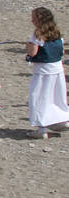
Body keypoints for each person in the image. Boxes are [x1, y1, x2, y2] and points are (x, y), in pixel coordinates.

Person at [26, 7, 69, 139]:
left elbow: (32, 53)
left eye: (34, 18)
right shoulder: (56, 33)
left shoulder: (37, 34)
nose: (32, 20)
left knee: (39, 97)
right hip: (57, 69)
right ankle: (61, 120)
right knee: (57, 96)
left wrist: (28, 46)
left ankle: (41, 128)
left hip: (43, 71)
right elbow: (61, 52)